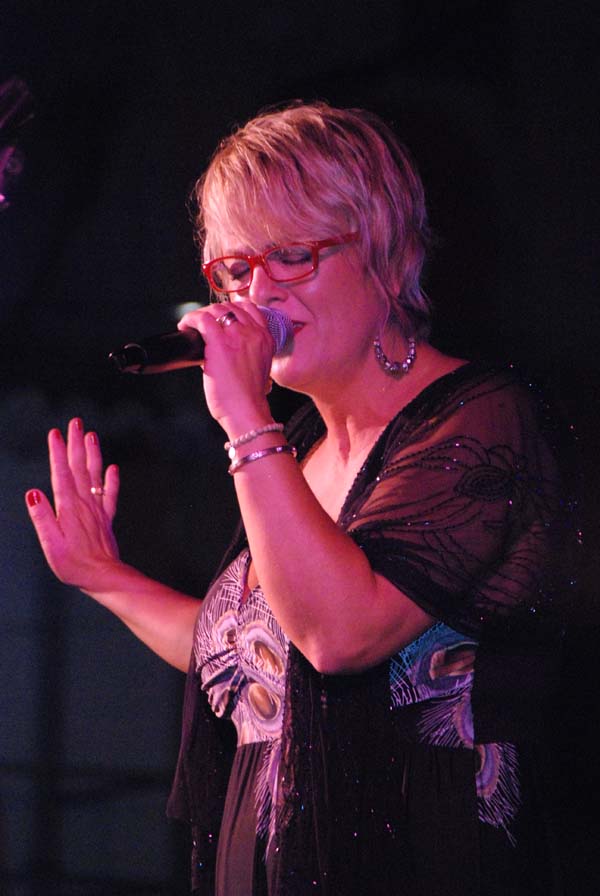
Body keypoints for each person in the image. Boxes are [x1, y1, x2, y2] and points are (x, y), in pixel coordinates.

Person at [25, 102, 577, 896]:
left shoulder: (482, 419)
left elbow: (337, 634)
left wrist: (246, 421)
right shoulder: (301, 448)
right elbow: (254, 652)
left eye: (291, 257)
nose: (257, 294)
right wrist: (104, 577)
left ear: (389, 256)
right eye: (234, 270)